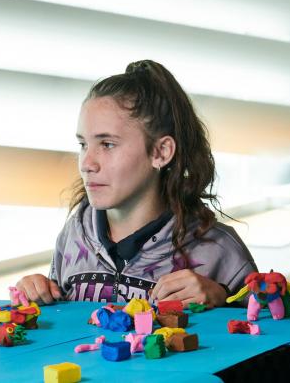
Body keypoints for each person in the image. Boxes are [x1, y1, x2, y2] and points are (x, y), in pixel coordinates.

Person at [16, 60, 257, 308]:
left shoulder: (217, 248)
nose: (86, 163)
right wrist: (39, 294)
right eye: (83, 144)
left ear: (161, 152)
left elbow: (277, 327)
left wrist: (224, 299)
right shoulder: (73, 236)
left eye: (107, 144)